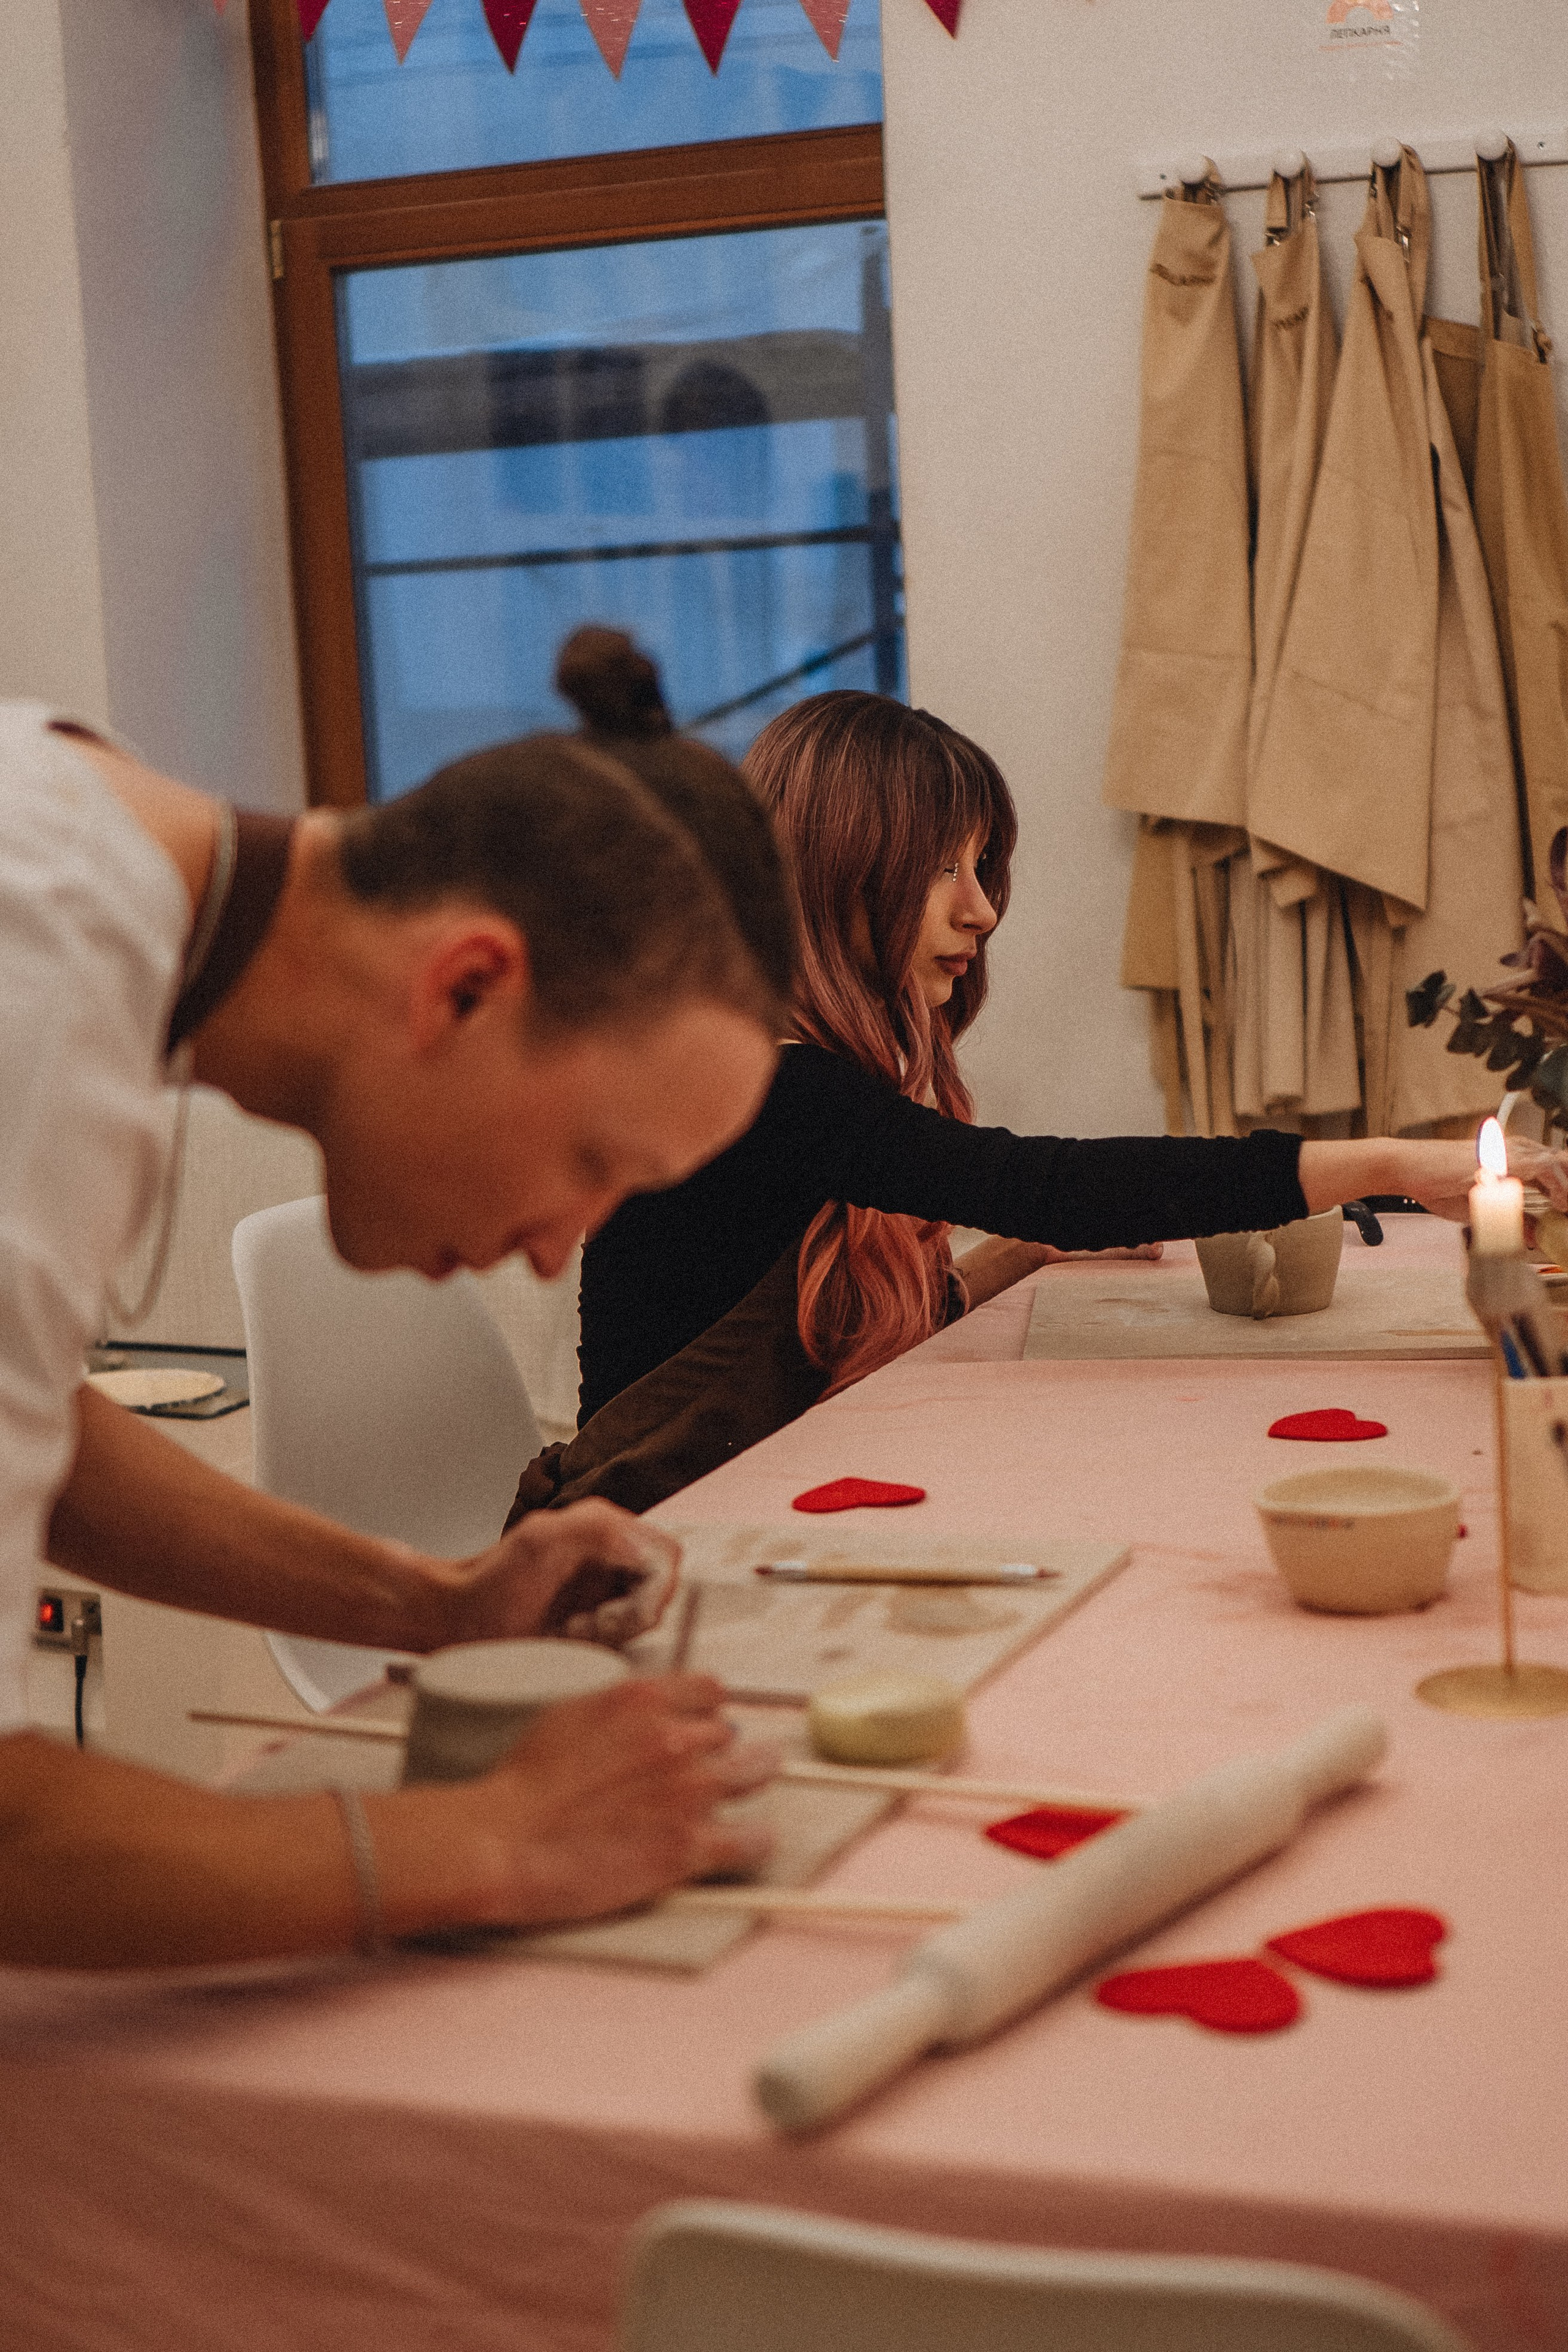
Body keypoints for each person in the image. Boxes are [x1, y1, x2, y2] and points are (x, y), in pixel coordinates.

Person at [1, 703, 795, 1969]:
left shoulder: (100, 876)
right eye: (592, 1163)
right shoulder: (36, 989)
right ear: (465, 985)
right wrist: (500, 1841)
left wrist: (438, 1606)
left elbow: (33, 1428)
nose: (556, 1247)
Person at [508, 680, 1568, 1523]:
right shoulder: (765, 1088)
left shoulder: (786, 1080)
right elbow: (1045, 1183)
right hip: (637, 1550)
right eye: (944, 870)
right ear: (840, 874)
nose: (983, 910)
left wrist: (1027, 1255)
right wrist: (1393, 1163)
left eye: (985, 866)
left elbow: (862, 1322)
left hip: (731, 1507)